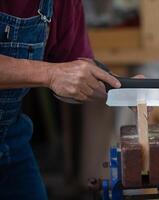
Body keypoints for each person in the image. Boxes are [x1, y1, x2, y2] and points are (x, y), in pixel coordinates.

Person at [0, 0, 121, 199]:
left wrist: (121, 87)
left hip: (10, 138)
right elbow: (58, 73)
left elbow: (75, 65)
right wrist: (50, 74)